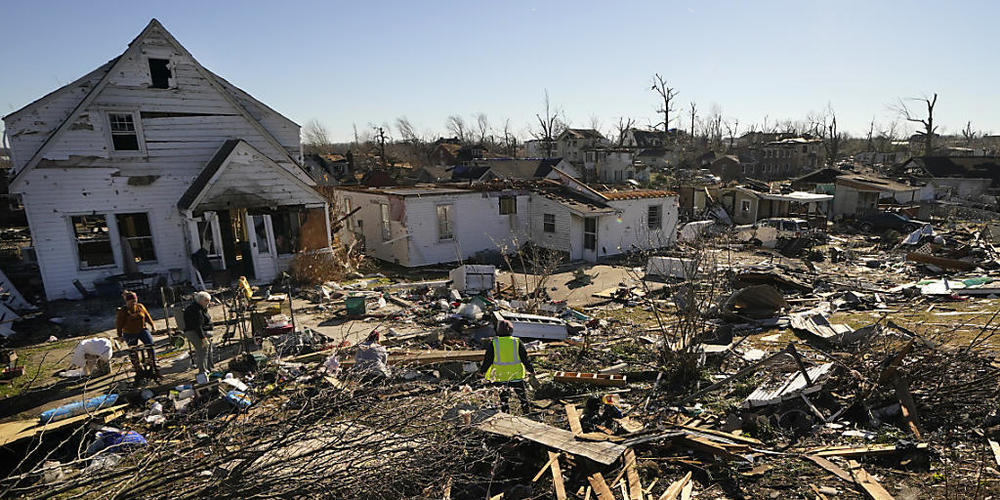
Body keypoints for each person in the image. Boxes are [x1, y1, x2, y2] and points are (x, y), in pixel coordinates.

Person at [480, 320, 534, 413]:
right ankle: (526, 412)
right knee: (522, 397)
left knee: (504, 400)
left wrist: (482, 370)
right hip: (516, 375)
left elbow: (488, 359)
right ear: (511, 330)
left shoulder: (494, 343)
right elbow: (525, 358)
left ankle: (506, 414)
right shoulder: (516, 342)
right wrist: (531, 369)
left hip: (501, 377)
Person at [115, 291, 158, 380]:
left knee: (150, 345)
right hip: (129, 333)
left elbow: (147, 317)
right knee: (133, 351)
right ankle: (138, 369)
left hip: (142, 330)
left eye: (135, 301)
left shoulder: (140, 307)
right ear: (127, 302)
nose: (133, 303)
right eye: (131, 302)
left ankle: (152, 364)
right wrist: (120, 335)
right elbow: (119, 324)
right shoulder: (123, 311)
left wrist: (153, 325)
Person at [183, 291, 214, 383]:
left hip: (202, 331)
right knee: (202, 351)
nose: (208, 303)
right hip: (195, 332)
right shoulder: (195, 310)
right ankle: (203, 373)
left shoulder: (201, 308)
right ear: (200, 301)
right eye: (206, 301)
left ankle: (209, 369)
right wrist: (203, 338)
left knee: (208, 350)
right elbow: (197, 326)